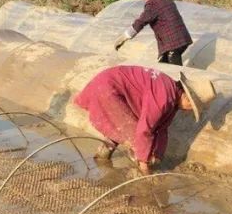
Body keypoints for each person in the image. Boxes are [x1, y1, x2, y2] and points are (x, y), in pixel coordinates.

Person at [74, 65, 216, 174]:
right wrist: (145, 165)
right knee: (133, 134)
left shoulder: (171, 93)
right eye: (192, 107)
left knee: (123, 126)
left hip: (108, 84)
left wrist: (158, 154)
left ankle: (102, 156)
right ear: (187, 98)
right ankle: (139, 174)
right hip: (108, 88)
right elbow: (144, 130)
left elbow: (162, 128)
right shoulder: (164, 98)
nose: (188, 110)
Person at [114, 0, 193, 65]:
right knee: (164, 67)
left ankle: (178, 79)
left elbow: (140, 22)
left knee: (173, 72)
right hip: (181, 40)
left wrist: (124, 37)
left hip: (172, 43)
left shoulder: (153, 3)